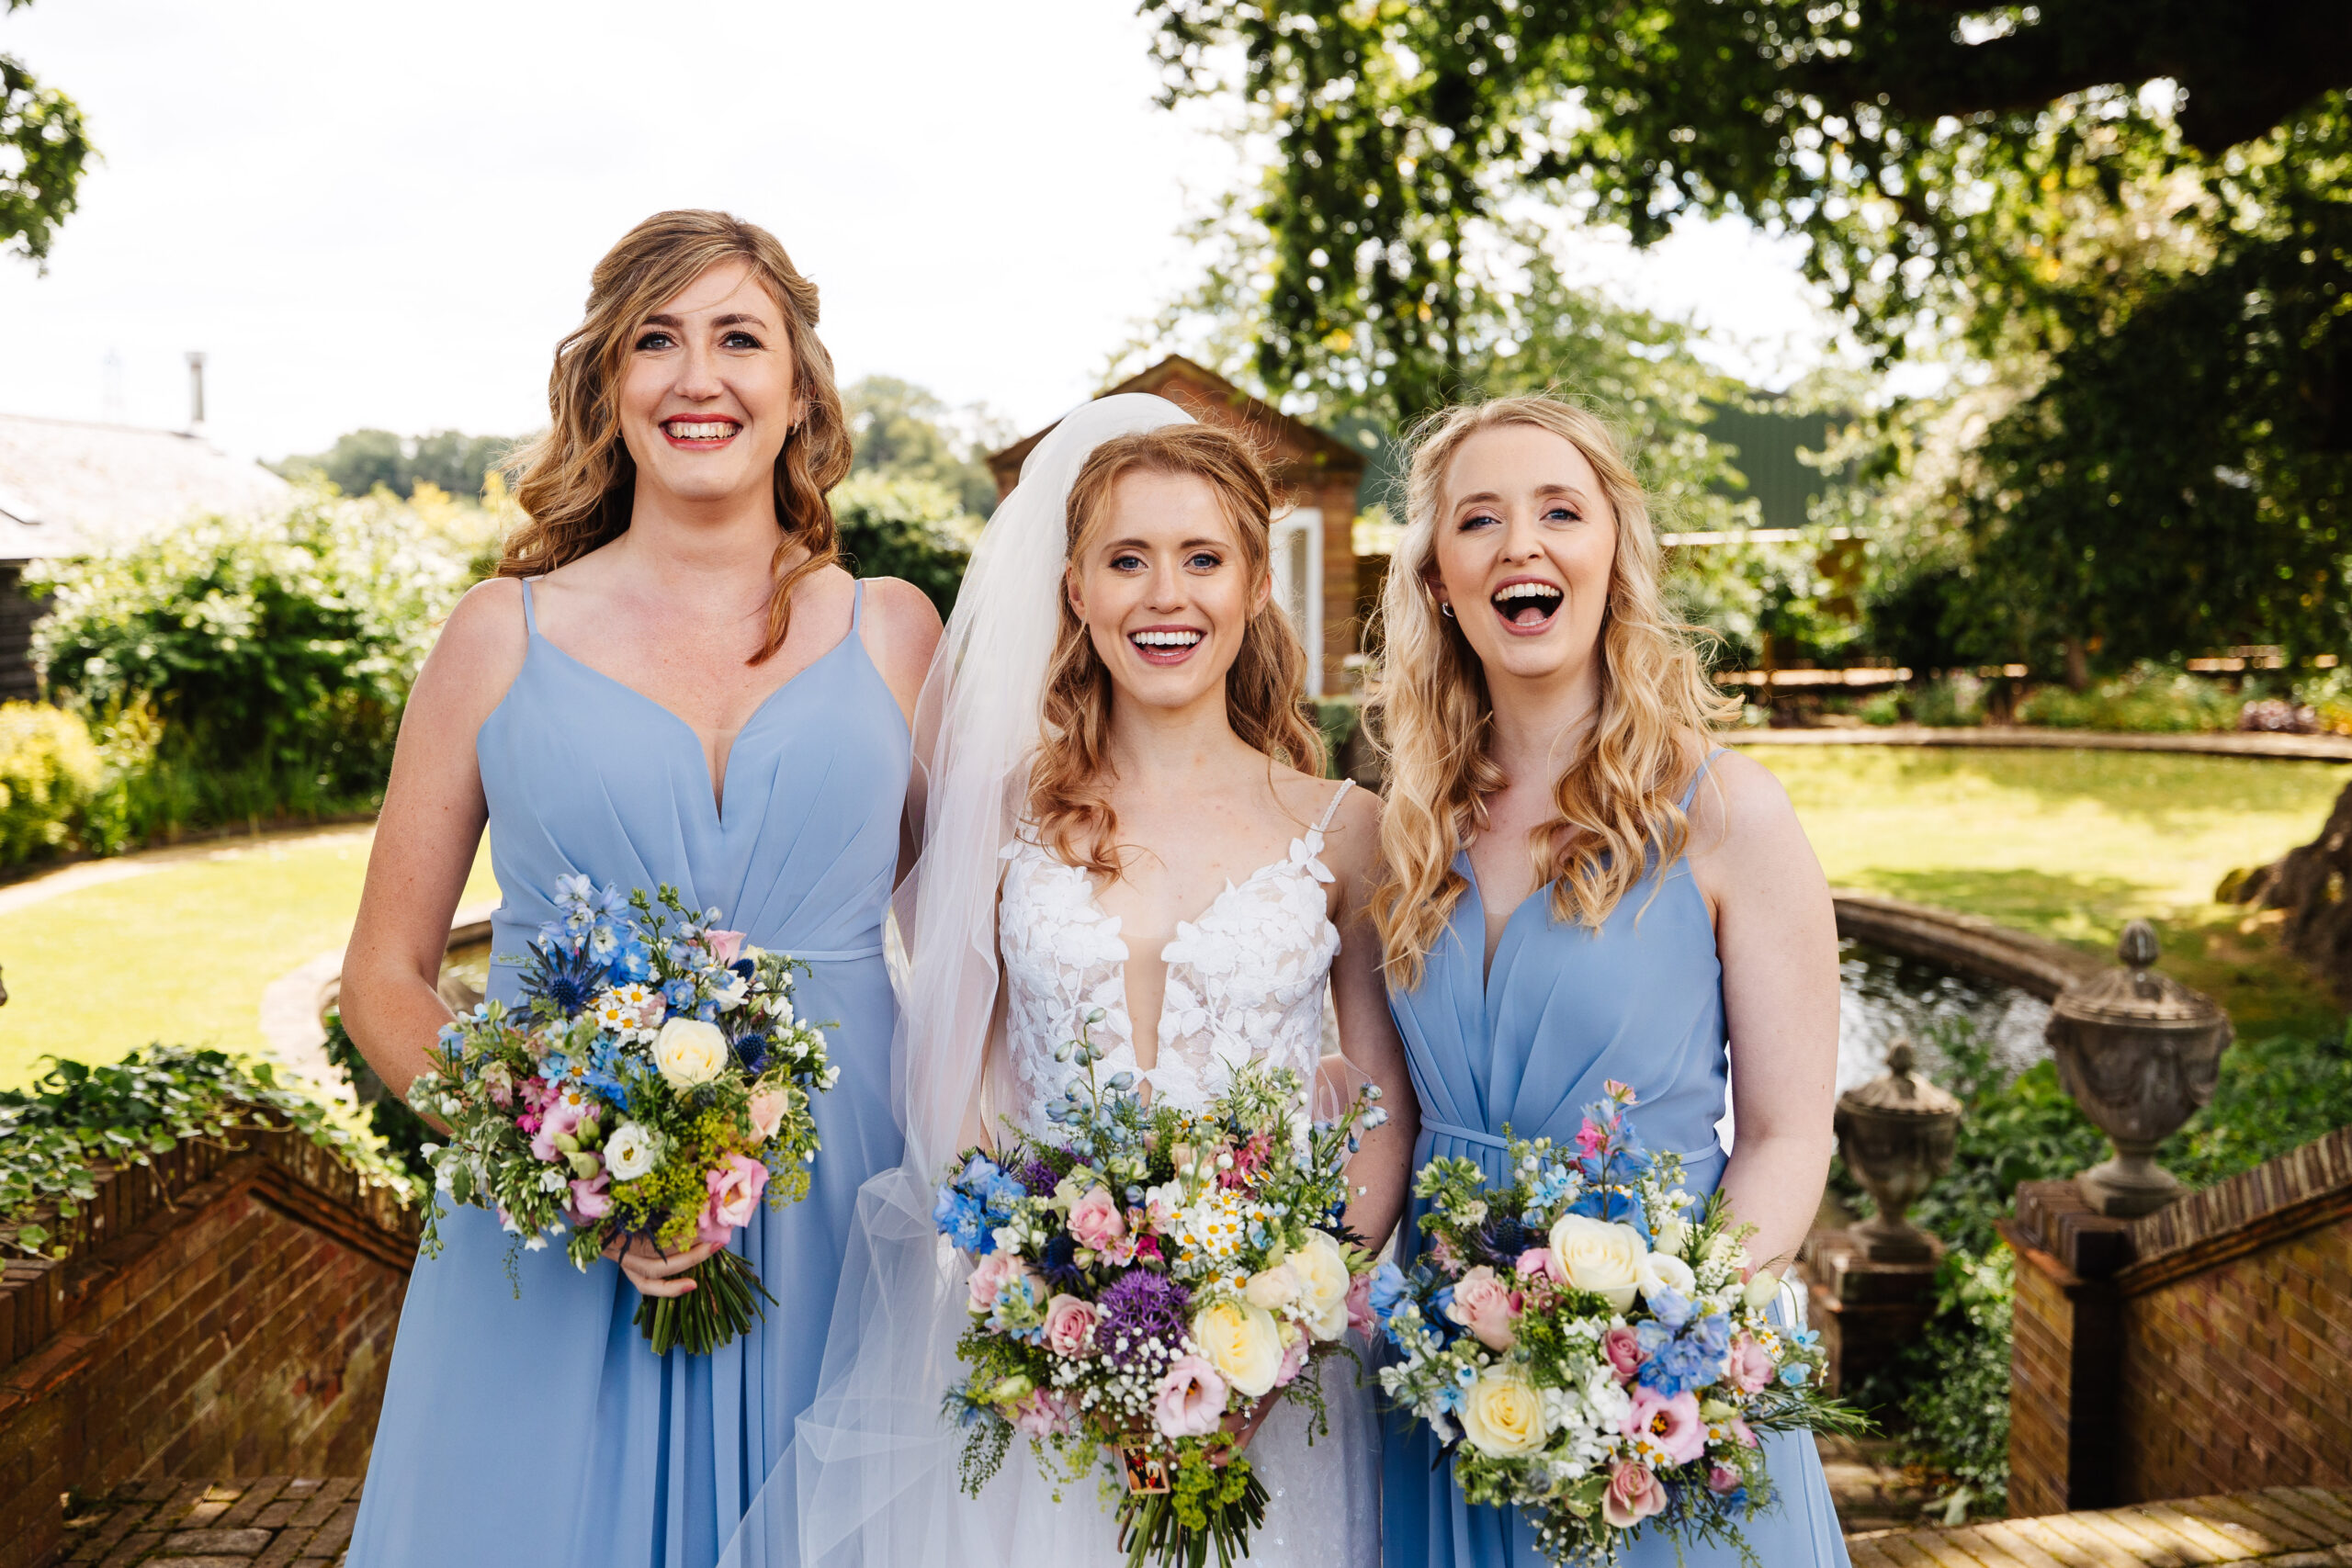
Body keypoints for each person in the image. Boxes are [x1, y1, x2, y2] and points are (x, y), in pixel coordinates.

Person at [338, 209, 940, 1568]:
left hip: (845, 1227)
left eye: (741, 337)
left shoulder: (898, 632)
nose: (697, 375)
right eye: (655, 340)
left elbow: (990, 939)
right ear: (608, 385)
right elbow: (382, 976)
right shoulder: (503, 635)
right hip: (554, 1243)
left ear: (801, 388)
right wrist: (555, 1165)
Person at [777, 397, 1418, 1568]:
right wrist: (1036, 1294)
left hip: (1275, 1380)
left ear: (1253, 584)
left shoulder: (1345, 830)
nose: (1164, 596)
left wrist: (1287, 1327)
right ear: (1075, 590)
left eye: (1201, 559)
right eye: (1127, 559)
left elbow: (1379, 1102)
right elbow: (957, 1064)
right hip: (1048, 1371)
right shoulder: (1002, 810)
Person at [1369, 394, 1849, 1566]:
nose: (1520, 545)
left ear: (1611, 559)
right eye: (1478, 519)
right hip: (1447, 1387)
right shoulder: (1410, 826)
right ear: (1439, 577)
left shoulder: (1728, 814)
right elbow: (1380, 1122)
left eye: (1559, 512)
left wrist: (1661, 1345)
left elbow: (1790, 1135)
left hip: (1649, 1407)